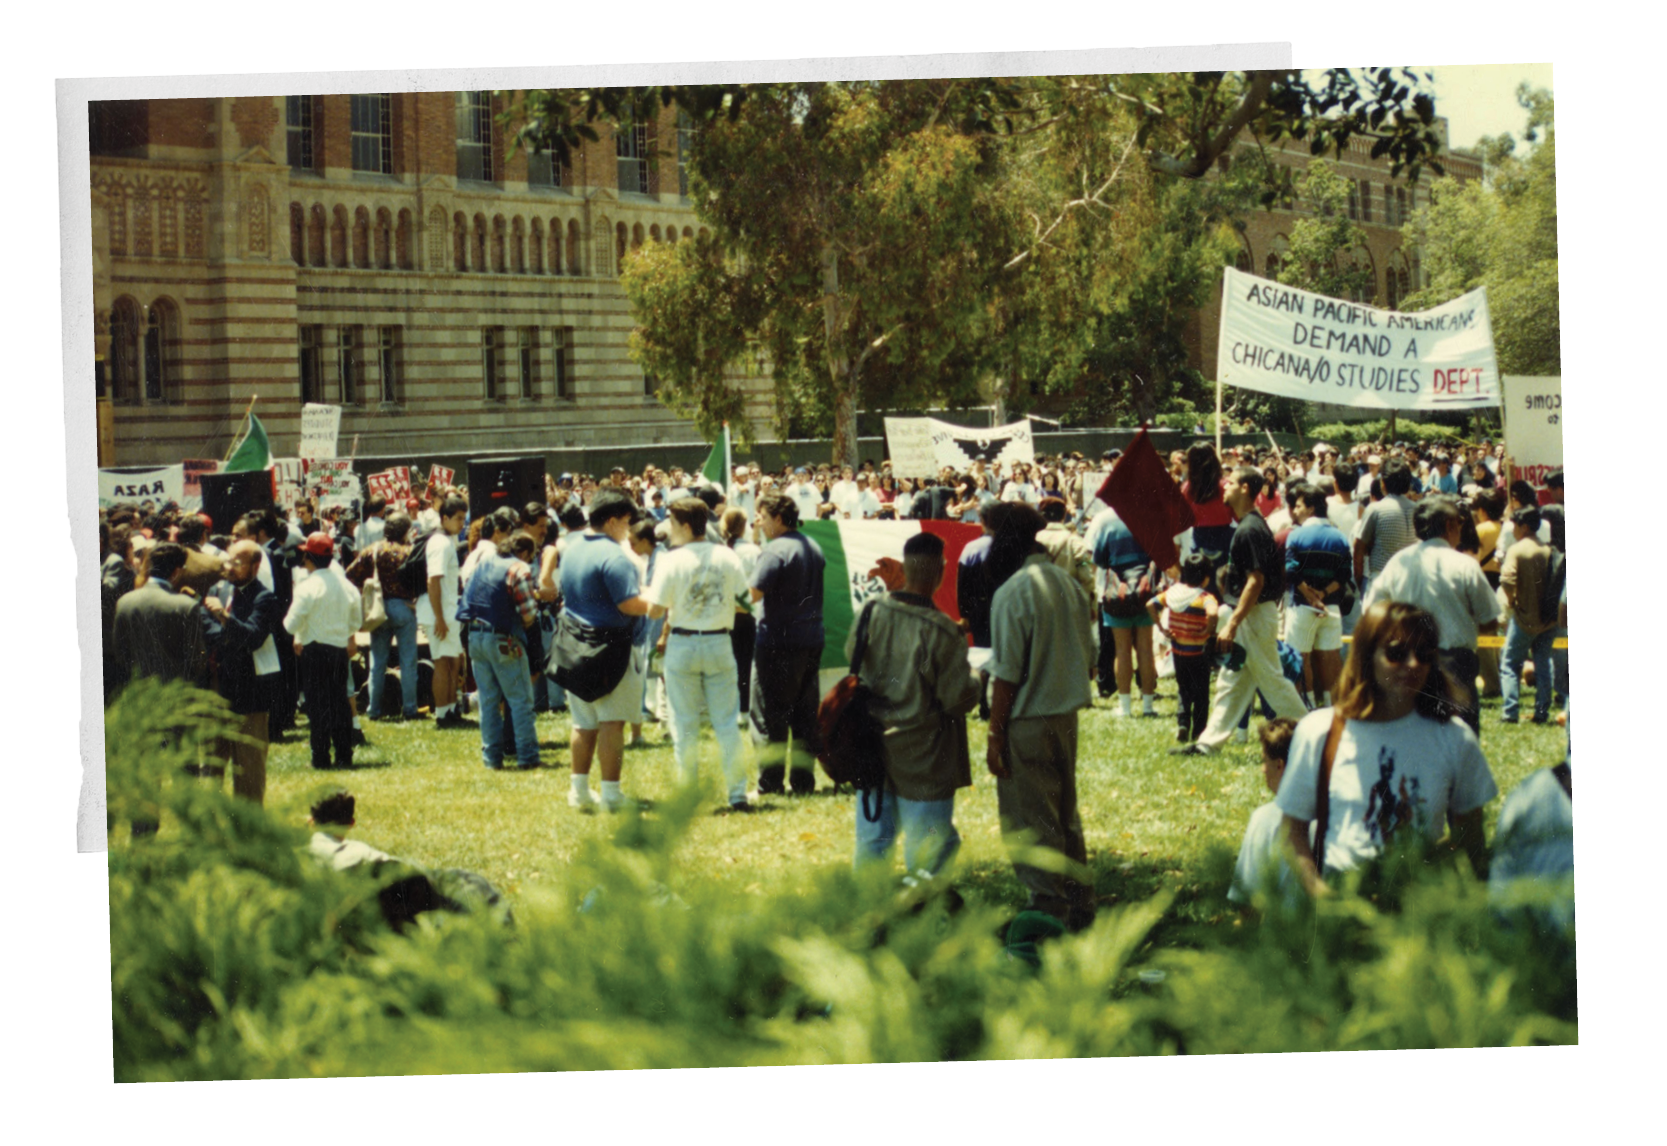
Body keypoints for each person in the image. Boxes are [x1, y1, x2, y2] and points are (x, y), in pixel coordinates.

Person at [1276, 600, 1497, 897]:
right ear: (1367, 656)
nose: (1413, 664)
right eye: (1396, 653)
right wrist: (1321, 895)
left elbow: (1470, 835)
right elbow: (1293, 831)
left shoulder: (1454, 738)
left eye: (1424, 654)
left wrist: (1424, 870)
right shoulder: (1320, 731)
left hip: (1417, 913)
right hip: (1338, 904)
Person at [985, 503, 1097, 931]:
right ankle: (1080, 902)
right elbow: (1087, 653)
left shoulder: (1013, 592)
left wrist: (995, 736)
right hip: (1065, 716)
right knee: (1065, 813)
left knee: (1031, 819)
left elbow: (1006, 676)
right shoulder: (1067, 585)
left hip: (1027, 720)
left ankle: (1047, 907)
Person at [850, 531, 982, 877]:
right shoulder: (943, 631)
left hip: (872, 745)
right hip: (926, 755)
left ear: (906, 568)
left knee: (872, 838)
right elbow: (958, 698)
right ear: (940, 571)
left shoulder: (871, 610)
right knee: (932, 843)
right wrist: (979, 681)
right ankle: (923, 912)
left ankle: (866, 911)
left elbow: (853, 657)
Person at [1174, 467, 1309, 755]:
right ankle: (1208, 744)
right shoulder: (1247, 526)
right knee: (1232, 681)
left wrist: (1232, 623)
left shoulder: (1250, 529)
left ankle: (1313, 733)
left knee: (1272, 680)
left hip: (1254, 614)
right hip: (1251, 614)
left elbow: (1256, 581)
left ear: (1246, 489)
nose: (1225, 487)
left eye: (1231, 483)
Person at [646, 498, 753, 808]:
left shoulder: (670, 560)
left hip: (683, 644)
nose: (669, 529)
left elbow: (654, 611)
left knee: (684, 724)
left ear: (686, 526)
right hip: (719, 643)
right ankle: (737, 794)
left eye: (672, 522)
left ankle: (688, 796)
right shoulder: (726, 556)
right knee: (726, 723)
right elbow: (746, 602)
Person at [1362, 495, 1500, 734]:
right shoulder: (1465, 565)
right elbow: (1490, 620)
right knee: (1461, 738)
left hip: (1409, 663)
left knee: (1415, 738)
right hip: (1457, 662)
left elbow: (1372, 610)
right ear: (1449, 526)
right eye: (1459, 524)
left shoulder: (1399, 562)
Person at [554, 489, 652, 812]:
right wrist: (659, 601)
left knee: (583, 723)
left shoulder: (571, 547)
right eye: (626, 522)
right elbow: (629, 603)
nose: (629, 529)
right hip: (609, 648)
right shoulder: (616, 557)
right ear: (611, 522)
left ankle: (578, 791)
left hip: (572, 643)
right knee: (612, 723)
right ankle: (611, 794)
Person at [748, 493, 826, 796]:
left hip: (777, 643)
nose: (759, 521)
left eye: (763, 515)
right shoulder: (813, 546)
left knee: (769, 715)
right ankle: (804, 783)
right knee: (805, 717)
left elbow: (752, 593)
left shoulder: (774, 550)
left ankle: (770, 785)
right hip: (811, 639)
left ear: (778, 519)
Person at [200, 539, 282, 803]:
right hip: (217, 690)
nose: (230, 567)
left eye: (238, 562)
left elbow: (253, 638)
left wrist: (225, 619)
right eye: (228, 561)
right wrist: (226, 633)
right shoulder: (218, 590)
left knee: (248, 770)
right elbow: (206, 628)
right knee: (210, 766)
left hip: (249, 695)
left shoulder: (264, 598)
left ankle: (247, 829)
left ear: (255, 566)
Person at [456, 522, 543, 770]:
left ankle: (491, 759)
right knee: (520, 701)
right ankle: (527, 757)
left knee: (488, 701)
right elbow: (528, 613)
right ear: (525, 553)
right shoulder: (519, 568)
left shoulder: (483, 563)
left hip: (475, 637)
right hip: (505, 640)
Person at [284, 532, 362, 771]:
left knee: (317, 705)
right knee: (339, 703)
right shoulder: (346, 586)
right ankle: (343, 754)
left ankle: (320, 756)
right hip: (338, 650)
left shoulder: (307, 588)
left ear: (308, 557)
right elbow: (356, 622)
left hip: (314, 651)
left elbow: (290, 624)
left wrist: (303, 631)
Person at [344, 512, 423, 722]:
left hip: (378, 609)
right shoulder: (410, 550)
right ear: (406, 530)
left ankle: (374, 709)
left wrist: (364, 593)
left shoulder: (374, 549)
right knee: (408, 662)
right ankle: (410, 709)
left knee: (377, 662)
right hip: (404, 607)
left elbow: (350, 575)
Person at [1282, 482, 1352, 708]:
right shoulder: (1340, 537)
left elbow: (1291, 570)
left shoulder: (1296, 535)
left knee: (1300, 658)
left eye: (1300, 505)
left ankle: (1307, 706)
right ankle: (1335, 708)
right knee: (1331, 658)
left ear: (1311, 509)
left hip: (1302, 607)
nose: (1295, 510)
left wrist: (1310, 595)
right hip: (1331, 608)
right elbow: (1344, 575)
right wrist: (1322, 594)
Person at [1087, 503, 1158, 718]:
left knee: (1122, 650)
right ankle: (1148, 706)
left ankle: (1125, 707)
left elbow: (1098, 558)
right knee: (1145, 649)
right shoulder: (1150, 517)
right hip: (1145, 592)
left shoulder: (1105, 520)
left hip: (1117, 593)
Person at [110, 541, 210, 691]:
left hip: (136, 692)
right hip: (175, 693)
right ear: (176, 571)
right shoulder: (187, 606)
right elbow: (196, 660)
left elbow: (120, 653)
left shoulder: (124, 601)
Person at [1226, 717, 1299, 907]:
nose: (1262, 769)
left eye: (1265, 761)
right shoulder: (1335, 814)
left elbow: (1246, 904)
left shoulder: (1266, 819)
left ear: (1279, 765)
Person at [1148, 552, 1219, 744]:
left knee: (1183, 689)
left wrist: (1162, 628)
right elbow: (1213, 613)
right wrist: (1209, 631)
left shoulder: (1172, 593)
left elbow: (1150, 604)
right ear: (1205, 578)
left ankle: (1182, 723)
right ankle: (1198, 730)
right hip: (1199, 653)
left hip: (1179, 652)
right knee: (1202, 693)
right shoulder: (1204, 597)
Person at [1498, 505, 1559, 725]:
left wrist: (1512, 600)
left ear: (1523, 527)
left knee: (1510, 664)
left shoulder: (1516, 549)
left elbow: (1507, 579)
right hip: (1547, 619)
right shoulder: (1548, 549)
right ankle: (1542, 712)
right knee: (1544, 664)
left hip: (1524, 617)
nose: (1513, 529)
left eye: (1514, 525)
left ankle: (1510, 712)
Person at [422, 496, 468, 727]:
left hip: (449, 610)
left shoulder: (448, 540)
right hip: (438, 612)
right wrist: (439, 617)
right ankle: (442, 715)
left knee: (452, 661)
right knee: (442, 662)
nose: (462, 523)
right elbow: (434, 580)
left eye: (464, 519)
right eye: (458, 519)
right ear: (445, 518)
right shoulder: (439, 543)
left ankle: (451, 710)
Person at [1353, 457, 1418, 600]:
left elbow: (1358, 548)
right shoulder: (1417, 510)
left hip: (1382, 580)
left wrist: (1359, 582)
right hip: (1410, 583)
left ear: (1383, 482)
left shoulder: (1375, 509)